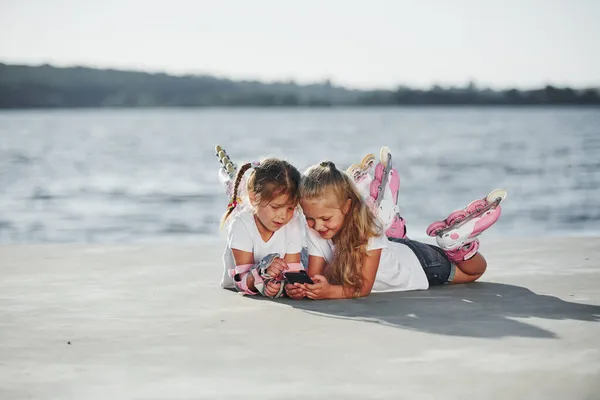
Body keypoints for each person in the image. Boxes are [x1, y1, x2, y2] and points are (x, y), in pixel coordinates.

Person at [285, 147, 506, 300]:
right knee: (389, 239)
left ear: (346, 207)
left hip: (422, 266)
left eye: (325, 218)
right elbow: (319, 277)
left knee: (475, 272)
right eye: (310, 218)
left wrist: (329, 292)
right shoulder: (315, 230)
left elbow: (362, 289)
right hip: (394, 247)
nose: (317, 226)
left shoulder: (367, 231)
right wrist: (306, 288)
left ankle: (457, 247)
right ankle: (393, 225)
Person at [216, 145, 305, 298]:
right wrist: (263, 275)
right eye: (276, 207)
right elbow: (242, 280)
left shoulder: (292, 222)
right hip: (244, 278)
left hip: (279, 272)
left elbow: (292, 271)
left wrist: (287, 287)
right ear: (253, 198)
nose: (283, 216)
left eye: (291, 208)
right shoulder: (241, 225)